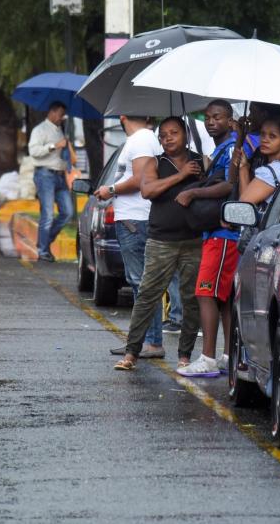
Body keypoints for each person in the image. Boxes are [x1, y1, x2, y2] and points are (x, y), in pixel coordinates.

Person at [114, 117, 204, 372]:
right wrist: (181, 176)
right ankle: (132, 352)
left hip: (193, 240)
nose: (167, 139)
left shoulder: (200, 161)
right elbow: (148, 190)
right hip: (161, 240)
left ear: (185, 134)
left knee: (190, 300)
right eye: (163, 135)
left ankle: (185, 355)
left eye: (174, 133)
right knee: (147, 294)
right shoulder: (156, 162)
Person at [172, 100, 238, 377]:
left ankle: (208, 358)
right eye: (208, 117)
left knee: (205, 292)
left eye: (218, 117)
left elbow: (230, 185)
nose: (211, 122)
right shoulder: (222, 147)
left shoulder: (234, 146)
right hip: (214, 232)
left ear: (230, 119)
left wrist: (194, 193)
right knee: (221, 297)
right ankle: (227, 355)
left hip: (225, 233)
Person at [95, 115, 167, 359]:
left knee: (143, 283)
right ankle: (140, 341)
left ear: (123, 116)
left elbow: (141, 179)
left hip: (135, 220)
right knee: (139, 283)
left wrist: (110, 190)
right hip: (132, 220)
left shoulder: (143, 138)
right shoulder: (139, 139)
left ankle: (152, 342)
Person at [28, 101, 73, 263]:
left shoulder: (60, 130)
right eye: (61, 114)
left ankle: (44, 243)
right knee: (47, 214)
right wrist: (54, 145)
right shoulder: (40, 130)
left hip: (60, 176)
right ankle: (43, 250)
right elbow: (33, 151)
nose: (62, 118)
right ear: (52, 112)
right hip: (45, 175)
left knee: (67, 212)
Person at [236, 116, 280, 208]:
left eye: (272, 136)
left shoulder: (273, 171)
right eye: (262, 134)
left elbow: (243, 206)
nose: (264, 140)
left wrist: (243, 169)